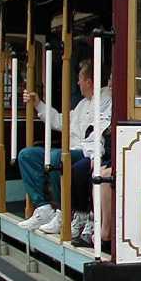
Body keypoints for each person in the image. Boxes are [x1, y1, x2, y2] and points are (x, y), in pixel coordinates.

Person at [17, 60, 112, 233]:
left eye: (80, 79)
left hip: (86, 152)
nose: (77, 83)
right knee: (27, 155)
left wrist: (91, 155)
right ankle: (44, 208)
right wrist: (38, 104)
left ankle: (64, 213)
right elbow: (61, 122)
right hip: (74, 150)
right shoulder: (83, 104)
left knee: (57, 158)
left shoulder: (105, 99)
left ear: (89, 81)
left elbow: (98, 133)